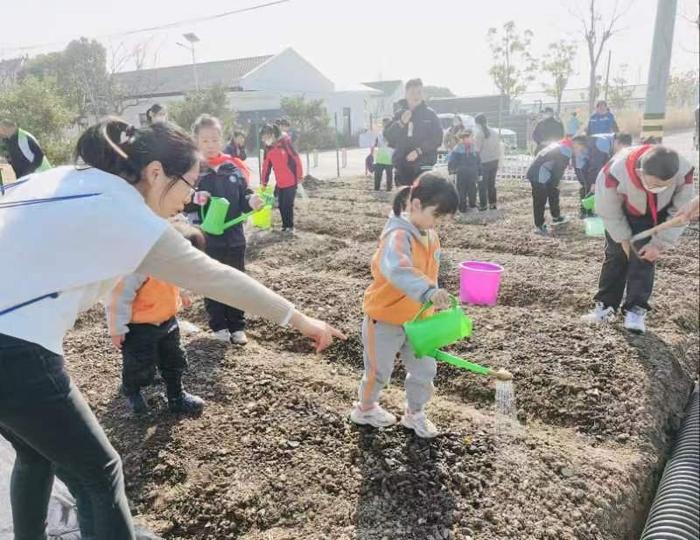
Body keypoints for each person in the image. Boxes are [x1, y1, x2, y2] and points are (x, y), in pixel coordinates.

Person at [0, 117, 344, 538]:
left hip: (12, 340)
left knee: (36, 455)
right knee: (99, 472)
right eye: (188, 183)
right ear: (156, 172)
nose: (190, 197)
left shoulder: (63, 179)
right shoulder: (131, 217)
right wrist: (300, 319)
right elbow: (220, 278)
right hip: (14, 349)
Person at [349, 173, 458, 438]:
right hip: (385, 316)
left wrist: (434, 296)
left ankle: (415, 413)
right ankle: (364, 409)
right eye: (437, 215)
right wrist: (428, 291)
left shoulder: (429, 234)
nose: (438, 223)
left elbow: (428, 271)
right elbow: (399, 270)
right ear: (417, 205)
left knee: (424, 369)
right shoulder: (397, 235)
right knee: (378, 370)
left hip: (419, 317)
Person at [581, 145, 695, 333]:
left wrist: (658, 244)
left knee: (644, 258)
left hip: (656, 216)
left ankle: (635, 310)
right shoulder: (615, 171)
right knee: (615, 256)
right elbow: (608, 209)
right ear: (640, 172)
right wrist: (623, 241)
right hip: (622, 211)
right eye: (654, 184)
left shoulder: (683, 171)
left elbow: (681, 213)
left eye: (663, 186)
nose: (658, 188)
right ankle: (606, 306)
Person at [105, 221, 206, 415]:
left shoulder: (172, 266)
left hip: (168, 321)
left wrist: (182, 293)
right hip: (139, 327)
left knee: (174, 360)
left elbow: (177, 280)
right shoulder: (139, 269)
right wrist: (116, 329)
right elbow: (118, 298)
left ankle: (177, 396)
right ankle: (133, 393)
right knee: (139, 365)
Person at [194, 114, 260, 345]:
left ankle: (237, 326)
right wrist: (196, 197)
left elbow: (244, 196)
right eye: (205, 141)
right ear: (197, 142)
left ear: (221, 140)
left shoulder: (232, 166)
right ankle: (219, 326)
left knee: (237, 279)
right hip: (209, 238)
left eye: (214, 139)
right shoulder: (195, 170)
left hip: (234, 237)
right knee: (213, 280)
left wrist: (251, 201)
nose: (210, 145)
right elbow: (182, 200)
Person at [384, 78, 443, 186]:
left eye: (419, 92)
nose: (416, 96)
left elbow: (437, 139)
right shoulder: (399, 114)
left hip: (424, 165)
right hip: (402, 165)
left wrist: (419, 151)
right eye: (412, 92)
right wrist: (401, 123)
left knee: (421, 200)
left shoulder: (430, 115)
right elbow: (388, 136)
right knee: (403, 201)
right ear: (406, 94)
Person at [572, 132, 632, 217]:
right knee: (587, 187)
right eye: (621, 148)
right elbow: (596, 164)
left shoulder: (610, 141)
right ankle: (585, 212)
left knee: (591, 187)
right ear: (618, 142)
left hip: (589, 164)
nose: (620, 151)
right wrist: (593, 182)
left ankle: (588, 210)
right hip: (581, 164)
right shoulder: (603, 143)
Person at [261, 123, 304, 234]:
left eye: (267, 136)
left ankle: (290, 226)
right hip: (280, 182)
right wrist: (263, 183)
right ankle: (285, 226)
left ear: (274, 135)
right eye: (264, 137)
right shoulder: (268, 149)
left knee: (287, 204)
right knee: (280, 205)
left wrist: (299, 175)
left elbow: (295, 158)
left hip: (291, 180)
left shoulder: (285, 143)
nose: (265, 139)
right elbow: (266, 167)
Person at [525, 138, 572, 234]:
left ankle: (556, 217)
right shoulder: (565, 152)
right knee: (540, 199)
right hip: (538, 174)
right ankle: (539, 225)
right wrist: (557, 182)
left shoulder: (559, 146)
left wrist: (555, 184)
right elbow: (558, 170)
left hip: (544, 172)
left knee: (553, 192)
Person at [448, 130, 481, 214]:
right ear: (464, 138)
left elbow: (478, 161)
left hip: (471, 172)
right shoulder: (458, 148)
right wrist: (452, 171)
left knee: (472, 189)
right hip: (462, 172)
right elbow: (452, 160)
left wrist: (480, 173)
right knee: (461, 190)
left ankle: (471, 206)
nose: (471, 139)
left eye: (471, 137)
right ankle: (462, 207)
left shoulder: (474, 148)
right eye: (469, 137)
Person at [474, 113, 501, 210]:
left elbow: (477, 149)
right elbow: (498, 147)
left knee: (482, 184)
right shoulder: (494, 132)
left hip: (484, 162)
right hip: (494, 160)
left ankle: (483, 205)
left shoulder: (479, 134)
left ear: (477, 123)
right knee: (491, 184)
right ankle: (493, 203)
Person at [373, 118, 394, 191]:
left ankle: (389, 188)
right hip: (381, 157)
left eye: (387, 123)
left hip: (389, 156)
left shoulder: (393, 133)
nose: (385, 125)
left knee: (389, 174)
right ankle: (377, 188)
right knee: (378, 174)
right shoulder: (380, 133)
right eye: (384, 123)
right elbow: (375, 144)